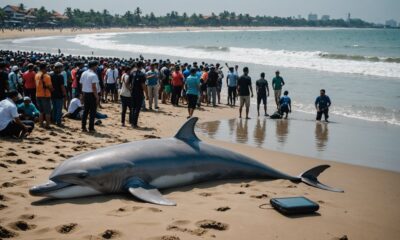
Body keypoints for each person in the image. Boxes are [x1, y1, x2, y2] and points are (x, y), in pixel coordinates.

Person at [80, 61, 99, 132]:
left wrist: (82, 94)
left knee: (85, 111)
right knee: (92, 111)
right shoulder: (93, 75)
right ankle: (91, 128)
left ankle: (83, 127)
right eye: (96, 66)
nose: (97, 67)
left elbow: (81, 84)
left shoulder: (84, 73)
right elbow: (94, 87)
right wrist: (96, 96)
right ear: (94, 66)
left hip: (85, 93)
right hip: (91, 94)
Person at [35, 62, 53, 129]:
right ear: (44, 68)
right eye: (47, 67)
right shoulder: (46, 76)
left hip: (38, 94)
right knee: (48, 111)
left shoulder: (37, 75)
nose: (48, 68)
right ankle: (47, 125)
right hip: (45, 95)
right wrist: (53, 90)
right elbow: (50, 87)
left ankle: (41, 124)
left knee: (41, 111)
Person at [130, 62, 148, 128]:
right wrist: (147, 94)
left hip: (132, 93)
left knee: (133, 108)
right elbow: (143, 85)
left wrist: (131, 90)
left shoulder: (132, 73)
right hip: (139, 93)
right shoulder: (142, 74)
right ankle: (134, 124)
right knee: (137, 109)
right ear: (141, 67)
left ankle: (132, 122)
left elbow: (128, 83)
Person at [50, 62, 67, 127]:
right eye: (61, 68)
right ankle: (58, 122)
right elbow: (62, 86)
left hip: (52, 94)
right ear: (59, 68)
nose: (62, 69)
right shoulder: (60, 76)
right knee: (59, 108)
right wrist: (64, 93)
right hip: (59, 94)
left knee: (54, 108)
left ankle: (54, 120)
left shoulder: (51, 75)